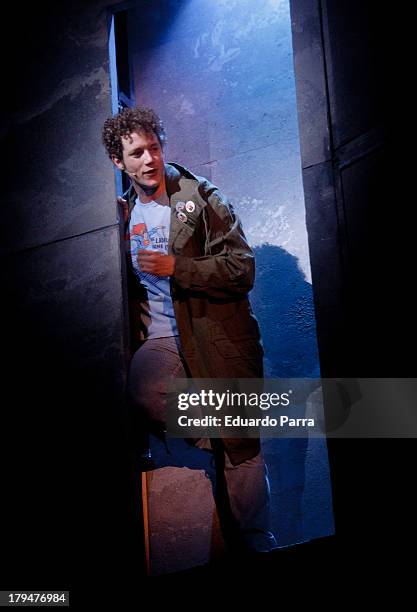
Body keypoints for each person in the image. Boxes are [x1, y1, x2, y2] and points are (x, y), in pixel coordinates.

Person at [101, 106, 276, 554]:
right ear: (119, 162)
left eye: (153, 148)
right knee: (147, 392)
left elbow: (242, 267)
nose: (148, 159)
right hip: (163, 338)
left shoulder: (199, 196)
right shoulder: (120, 214)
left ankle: (258, 541)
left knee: (242, 448)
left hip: (215, 334)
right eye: (136, 153)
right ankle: (224, 433)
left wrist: (179, 267)